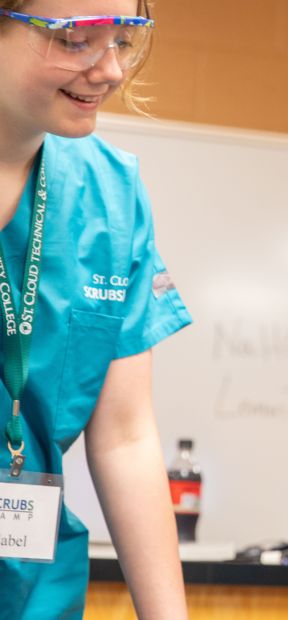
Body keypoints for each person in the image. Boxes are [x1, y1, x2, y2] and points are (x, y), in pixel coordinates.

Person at [0, 1, 191, 618]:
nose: (109, 70)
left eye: (125, 38)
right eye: (77, 39)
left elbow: (126, 437)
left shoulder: (111, 196)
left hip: (33, 581)